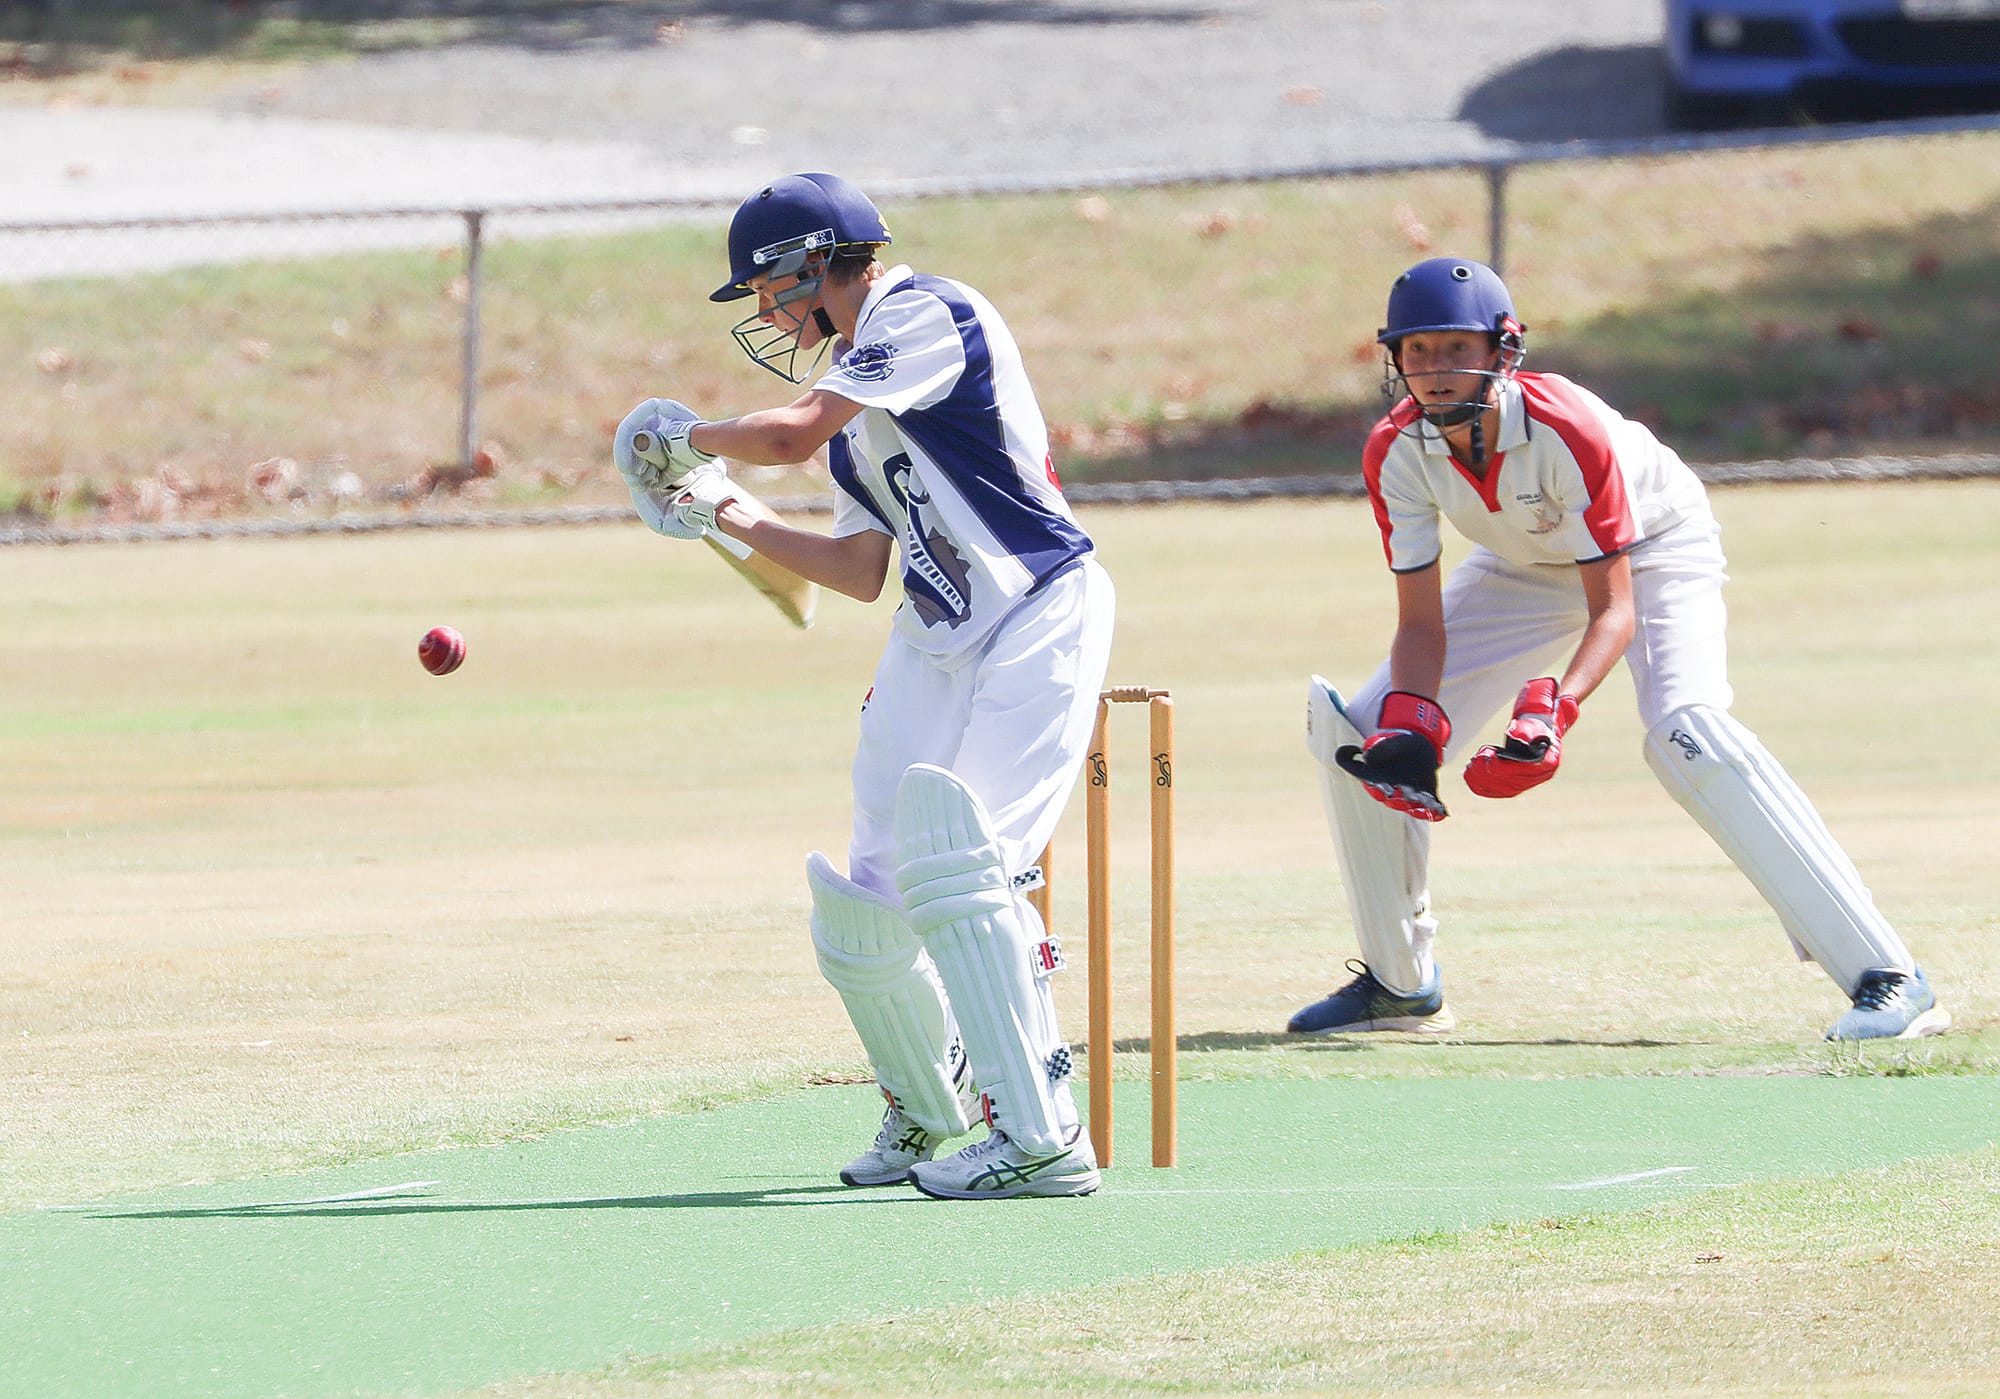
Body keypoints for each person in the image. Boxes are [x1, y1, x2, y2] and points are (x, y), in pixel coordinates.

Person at [610, 173, 1113, 1198]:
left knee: (963, 865)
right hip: (935, 631)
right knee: (866, 897)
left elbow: (789, 433)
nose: (762, 313)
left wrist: (689, 440)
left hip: (1037, 611)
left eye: (762, 288)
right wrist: (718, 508)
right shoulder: (855, 392)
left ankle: (1039, 1139)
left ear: (810, 264)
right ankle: (928, 1114)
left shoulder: (927, 313)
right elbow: (854, 570)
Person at [1295, 255, 1949, 1044]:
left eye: (1454, 348)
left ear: (1503, 350)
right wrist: (1413, 722)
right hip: (1517, 563)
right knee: (1361, 731)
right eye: (1418, 351)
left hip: (1654, 548)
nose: (1435, 371)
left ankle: (1890, 975)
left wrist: (1554, 714)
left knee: (1686, 730)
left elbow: (1614, 607)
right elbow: (1421, 624)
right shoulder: (1395, 448)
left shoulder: (1570, 427)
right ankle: (1401, 985)